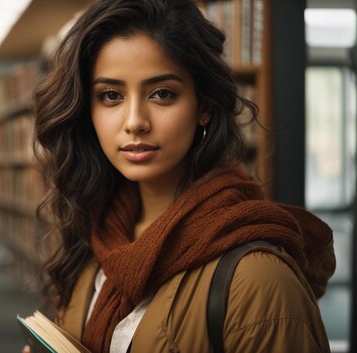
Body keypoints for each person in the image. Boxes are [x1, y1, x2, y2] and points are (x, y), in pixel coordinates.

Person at [28, 0, 336, 352]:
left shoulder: (259, 280)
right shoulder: (94, 239)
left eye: (162, 94)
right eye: (110, 96)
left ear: (203, 106)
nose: (134, 122)